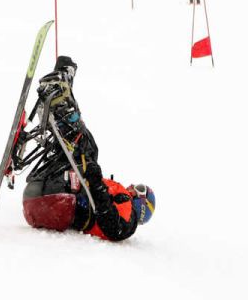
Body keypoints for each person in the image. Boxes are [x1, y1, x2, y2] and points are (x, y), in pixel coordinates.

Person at [16, 56, 156, 242]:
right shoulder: (122, 203)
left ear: (143, 204)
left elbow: (113, 228)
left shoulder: (128, 212)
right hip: (43, 201)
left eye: (138, 188)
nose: (131, 186)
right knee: (75, 152)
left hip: (60, 200)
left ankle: (59, 103)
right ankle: (54, 106)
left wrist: (96, 182)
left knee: (86, 147)